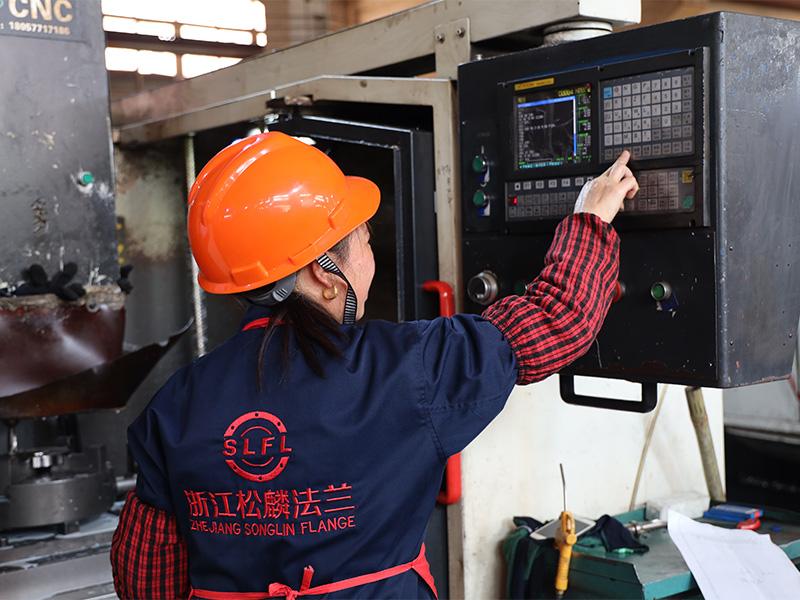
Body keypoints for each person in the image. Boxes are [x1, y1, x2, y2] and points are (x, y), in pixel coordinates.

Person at [110, 132, 638, 599]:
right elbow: (556, 317)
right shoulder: (409, 370)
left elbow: (146, 580)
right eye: (363, 240)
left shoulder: (175, 405)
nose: (370, 256)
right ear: (324, 274)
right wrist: (591, 217)